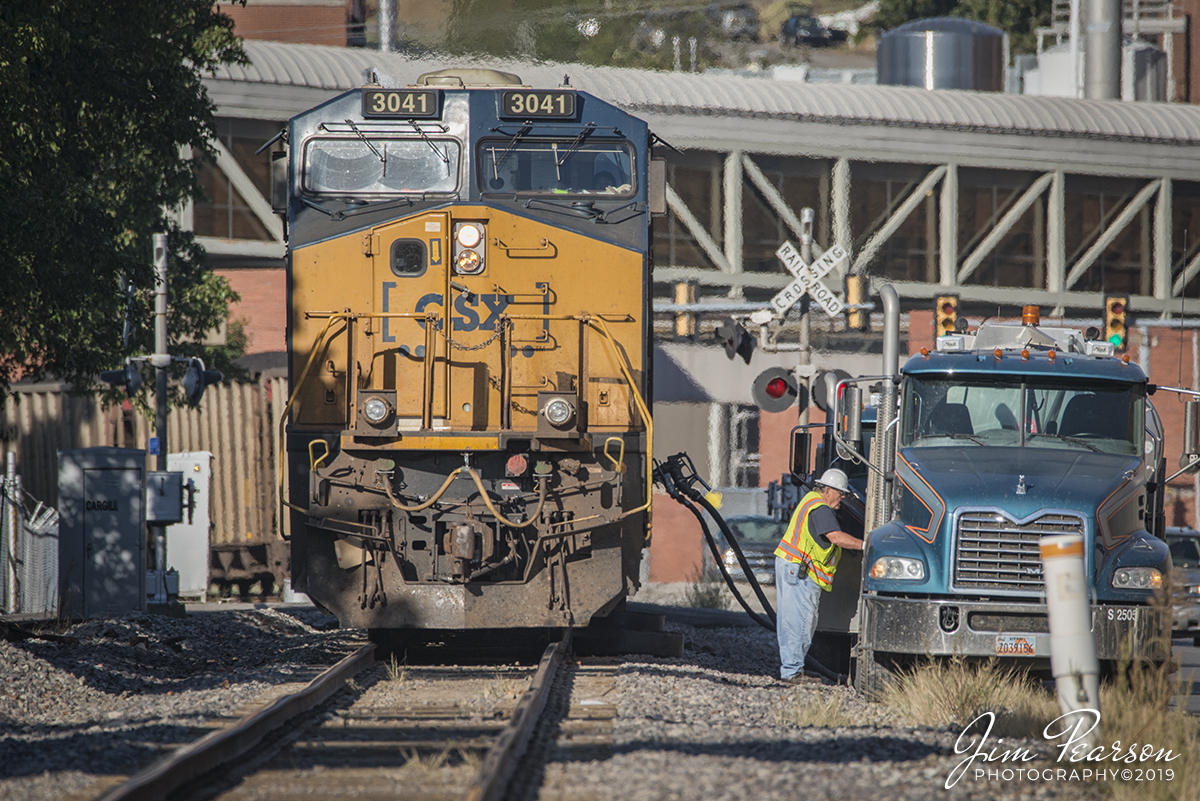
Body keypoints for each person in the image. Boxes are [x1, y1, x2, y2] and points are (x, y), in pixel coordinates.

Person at [774, 468, 863, 685]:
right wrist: (867, 544)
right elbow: (835, 537)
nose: (842, 497)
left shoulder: (810, 501)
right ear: (827, 490)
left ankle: (792, 668)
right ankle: (792, 672)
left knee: (791, 620)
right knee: (801, 620)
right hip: (801, 572)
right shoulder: (821, 508)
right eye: (840, 493)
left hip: (792, 567)